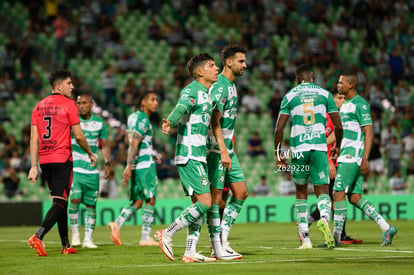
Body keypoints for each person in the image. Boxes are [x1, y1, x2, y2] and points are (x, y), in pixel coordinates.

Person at [155, 53, 218, 263]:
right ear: (200, 72)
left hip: (199, 154)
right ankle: (168, 233)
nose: (216, 68)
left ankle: (190, 251)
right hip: (190, 153)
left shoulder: (208, 94)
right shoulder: (192, 90)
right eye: (212, 65)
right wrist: (169, 121)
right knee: (205, 203)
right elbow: (181, 107)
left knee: (197, 205)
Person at [27, 70, 97, 256]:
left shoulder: (38, 106)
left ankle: (66, 245)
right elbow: (79, 136)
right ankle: (38, 236)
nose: (72, 87)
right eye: (69, 83)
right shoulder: (69, 105)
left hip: (45, 161)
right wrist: (90, 153)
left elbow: (34, 139)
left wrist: (34, 166)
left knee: (61, 201)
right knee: (60, 202)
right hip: (62, 159)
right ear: (59, 86)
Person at [274, 64, 343, 250]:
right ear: (313, 78)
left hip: (298, 149)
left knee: (301, 193)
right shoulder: (325, 94)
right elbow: (339, 126)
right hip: (319, 149)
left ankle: (305, 238)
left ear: (297, 79)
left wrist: (278, 153)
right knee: (322, 191)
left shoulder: (290, 96)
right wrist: (337, 146)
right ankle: (325, 221)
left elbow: (279, 128)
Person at [333, 72, 397, 247]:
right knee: (354, 197)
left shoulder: (360, 105)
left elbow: (368, 131)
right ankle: (386, 227)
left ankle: (336, 239)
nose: (338, 85)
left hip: (352, 155)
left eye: (341, 83)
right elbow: (345, 131)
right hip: (346, 153)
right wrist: (336, 147)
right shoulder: (346, 105)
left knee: (338, 193)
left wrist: (364, 159)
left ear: (351, 85)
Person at [206, 44, 248, 260]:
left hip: (228, 149)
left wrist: (232, 149)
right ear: (229, 62)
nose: (245, 65)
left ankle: (222, 239)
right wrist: (223, 150)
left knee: (241, 192)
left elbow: (229, 124)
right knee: (215, 199)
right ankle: (216, 246)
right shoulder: (220, 86)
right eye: (241, 61)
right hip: (215, 150)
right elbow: (214, 121)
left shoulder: (231, 86)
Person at [307, 89, 362, 245]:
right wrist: (330, 164)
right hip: (328, 164)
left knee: (337, 198)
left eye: (344, 97)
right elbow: (322, 142)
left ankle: (340, 234)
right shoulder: (329, 118)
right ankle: (308, 222)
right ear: (332, 100)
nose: (342, 100)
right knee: (335, 198)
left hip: (339, 162)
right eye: (339, 97)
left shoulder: (341, 117)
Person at [107, 91, 160, 247]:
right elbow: (135, 143)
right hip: (144, 165)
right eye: (152, 99)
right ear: (143, 102)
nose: (156, 102)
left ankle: (117, 224)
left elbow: (127, 140)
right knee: (150, 199)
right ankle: (145, 237)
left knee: (137, 202)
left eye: (156, 99)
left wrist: (132, 163)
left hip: (137, 163)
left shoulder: (132, 117)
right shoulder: (143, 119)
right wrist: (128, 167)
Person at [69, 93, 111, 249]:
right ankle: (75, 235)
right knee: (74, 200)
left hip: (92, 171)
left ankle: (88, 239)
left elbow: (105, 145)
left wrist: (107, 162)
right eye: (78, 103)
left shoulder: (99, 123)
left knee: (91, 205)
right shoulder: (72, 122)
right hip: (75, 169)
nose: (81, 106)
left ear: (91, 104)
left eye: (84, 103)